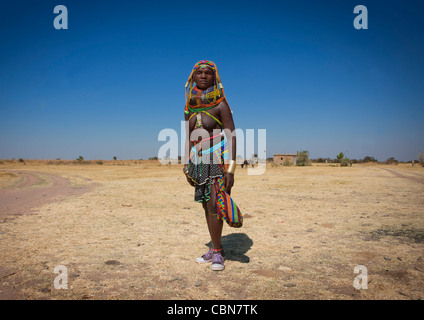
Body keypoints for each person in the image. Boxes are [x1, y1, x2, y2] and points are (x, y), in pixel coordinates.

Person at [183, 60, 243, 271]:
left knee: (214, 206)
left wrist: (231, 169)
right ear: (193, 77)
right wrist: (185, 163)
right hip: (198, 163)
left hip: (216, 160)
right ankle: (215, 248)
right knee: (205, 205)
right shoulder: (189, 106)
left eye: (208, 73)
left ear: (214, 78)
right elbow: (188, 137)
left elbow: (232, 136)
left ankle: (217, 253)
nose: (203, 76)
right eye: (199, 73)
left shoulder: (220, 105)